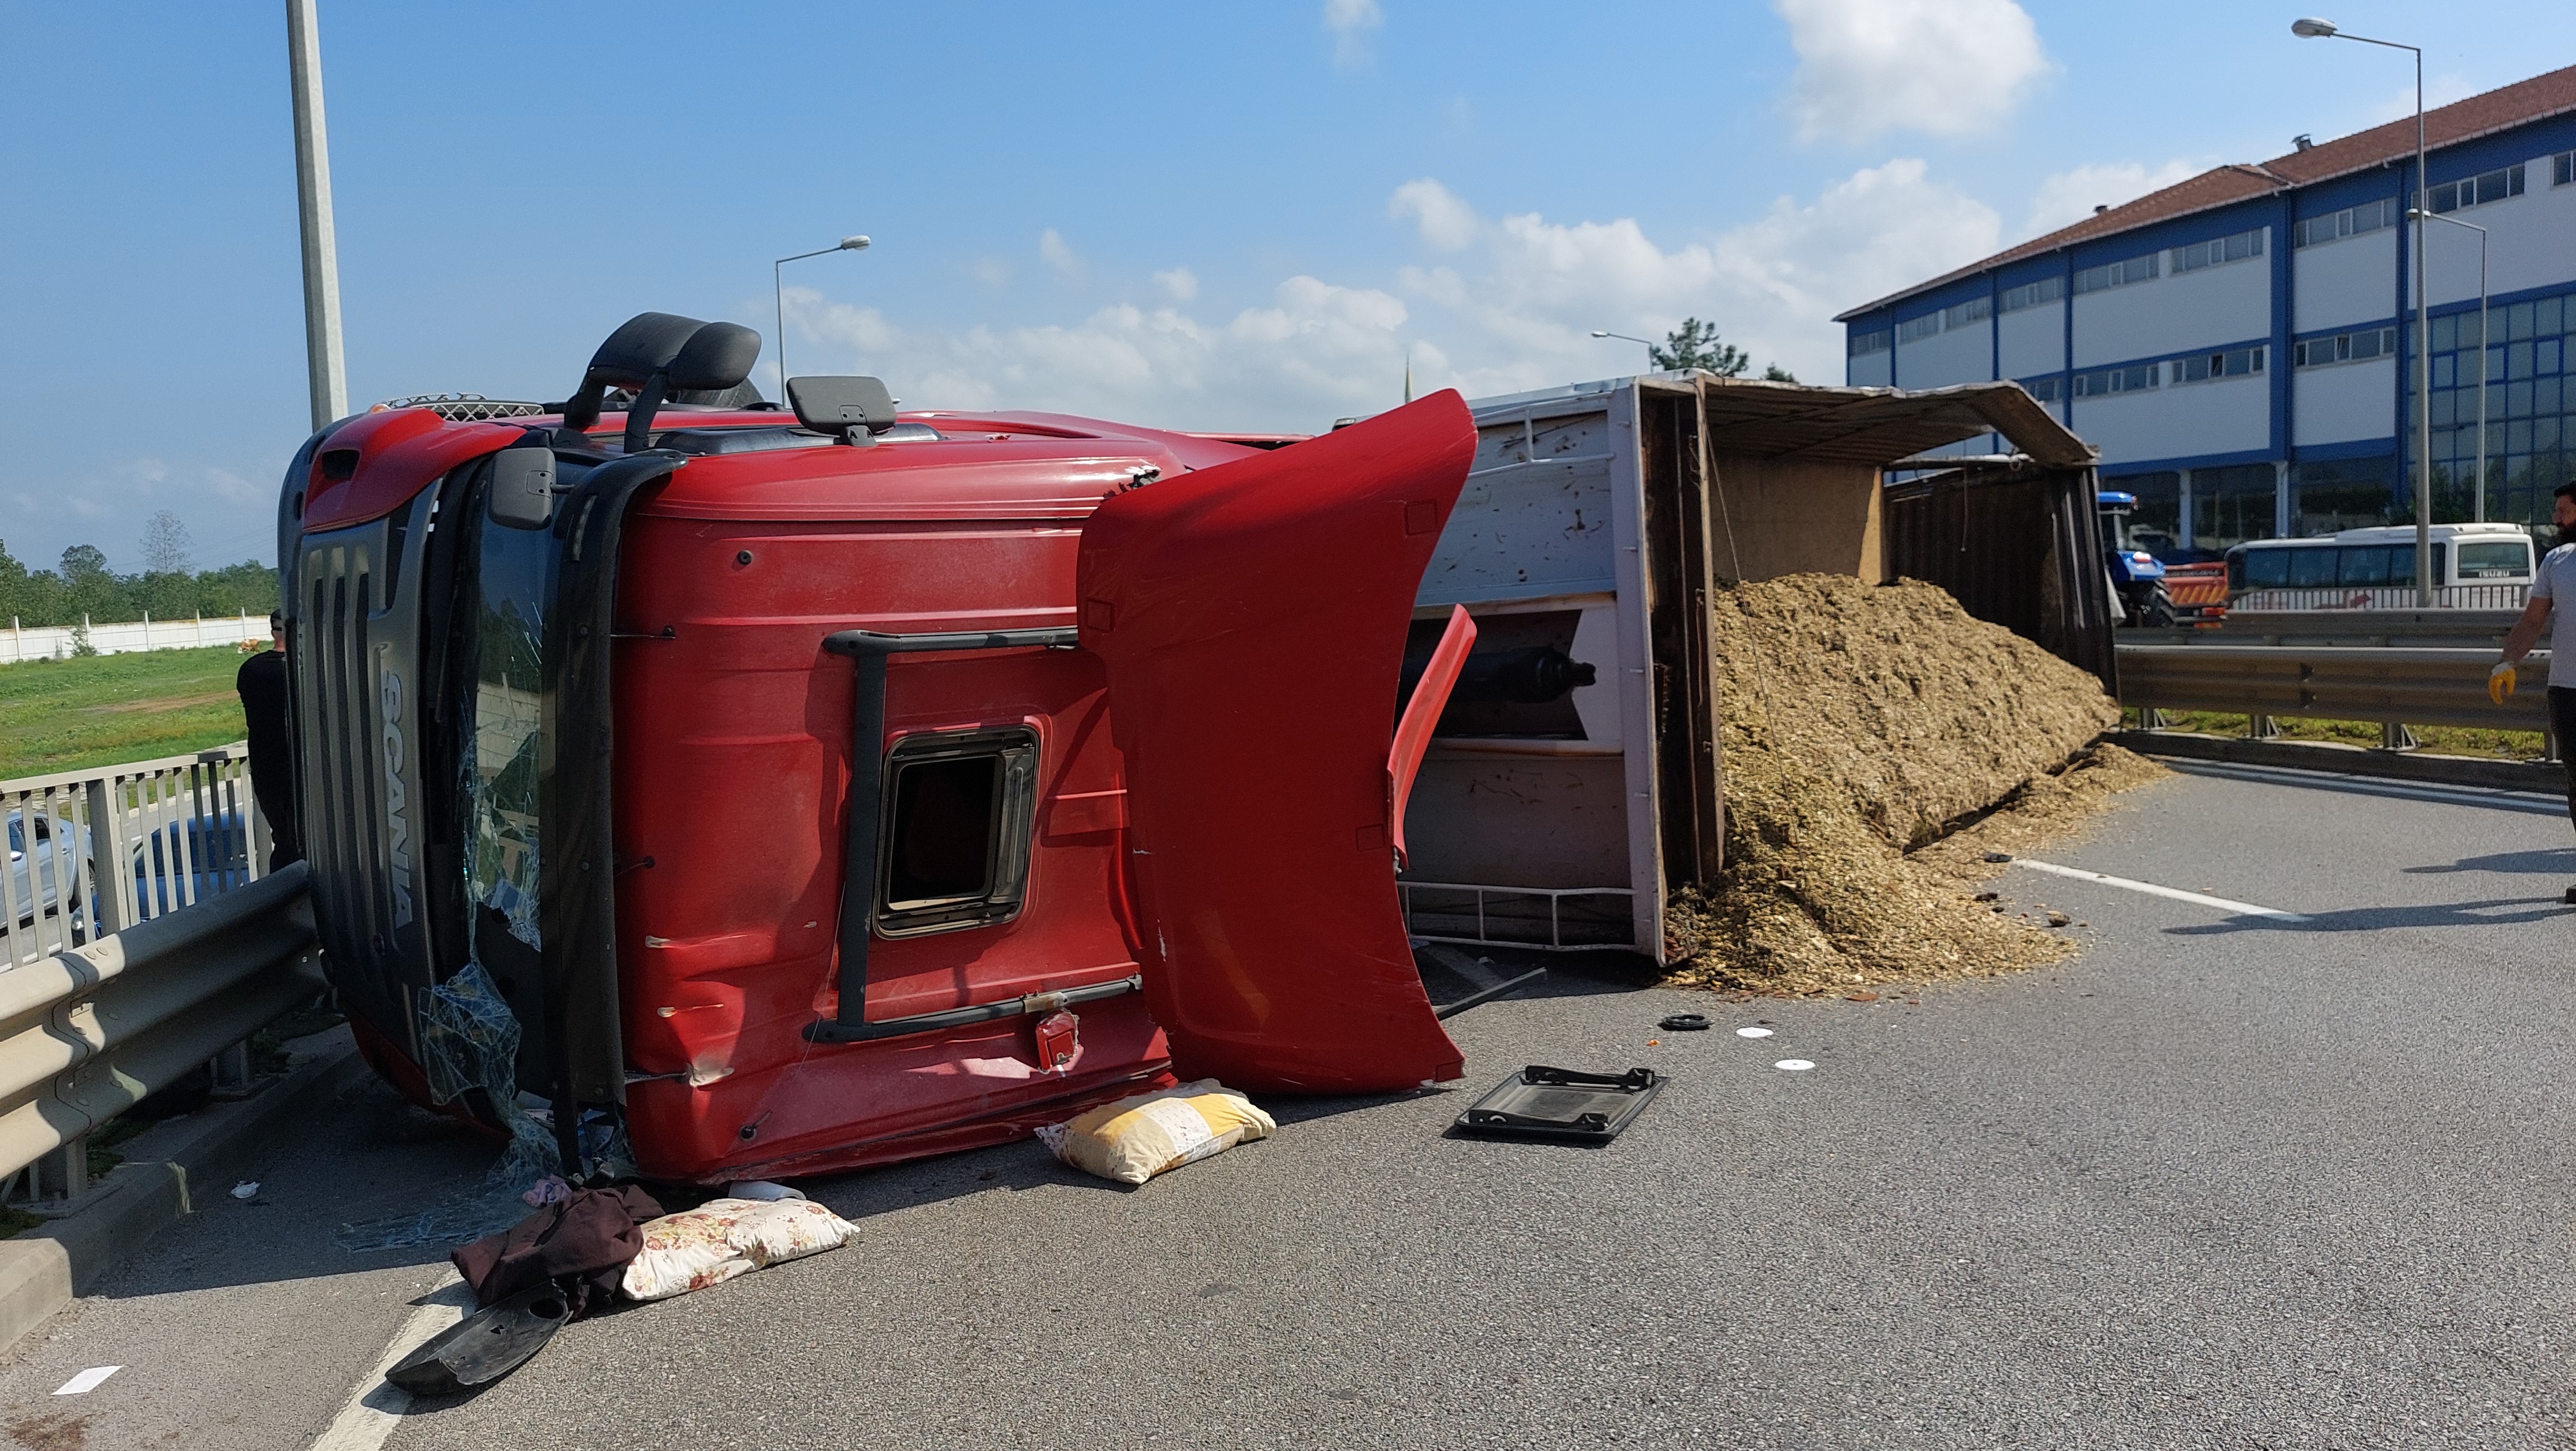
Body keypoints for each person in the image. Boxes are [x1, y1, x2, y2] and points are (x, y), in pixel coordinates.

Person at [2494, 481, 2576, 899]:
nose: (2556, 519)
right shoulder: (2557, 562)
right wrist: (2508, 660)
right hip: (2567, 688)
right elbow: (2532, 621)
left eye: (2564, 510)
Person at [235, 610, 303, 871]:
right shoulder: (304, 666)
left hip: (266, 767)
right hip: (301, 764)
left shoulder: (251, 669)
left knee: (284, 841)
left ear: (273, 631)